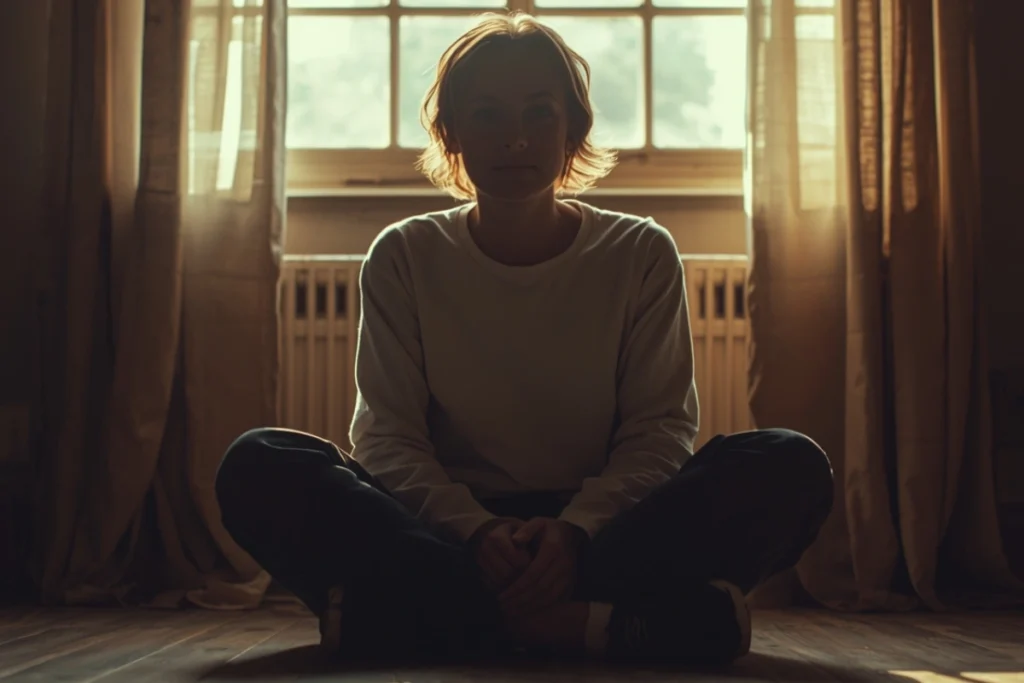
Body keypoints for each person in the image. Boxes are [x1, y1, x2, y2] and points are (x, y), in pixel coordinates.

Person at [215, 11, 834, 667]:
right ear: (451, 132)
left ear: (573, 130)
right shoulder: (403, 254)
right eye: (487, 115)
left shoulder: (640, 252)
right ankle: (600, 624)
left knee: (790, 463)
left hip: (605, 528)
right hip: (447, 531)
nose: (515, 138)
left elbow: (658, 431)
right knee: (260, 463)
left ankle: (422, 619)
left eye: (539, 113)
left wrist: (574, 533)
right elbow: (387, 438)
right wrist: (478, 531)